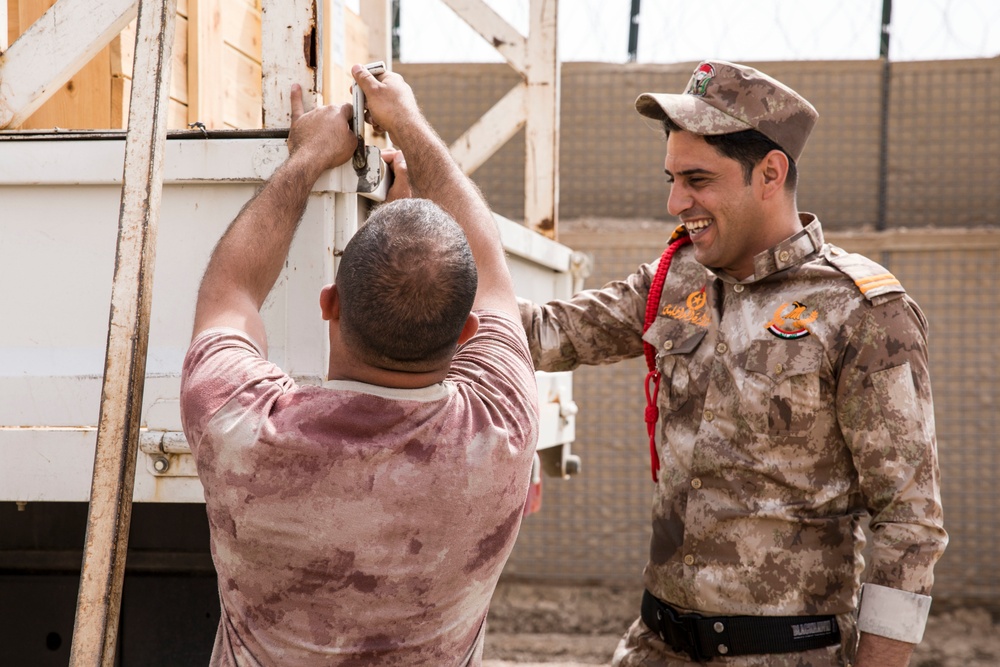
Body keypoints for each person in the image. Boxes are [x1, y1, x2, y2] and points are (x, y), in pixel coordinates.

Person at [519, 60, 947, 666]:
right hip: (656, 646)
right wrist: (422, 229)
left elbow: (910, 522)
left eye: (697, 179)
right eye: (671, 177)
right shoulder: (673, 280)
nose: (675, 202)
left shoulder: (862, 312)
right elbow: (541, 331)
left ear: (769, 173)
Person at [179, 65, 539, 666]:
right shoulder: (502, 429)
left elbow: (230, 291)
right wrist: (410, 125)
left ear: (329, 304)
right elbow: (492, 274)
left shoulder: (246, 432)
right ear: (467, 332)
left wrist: (307, 155)